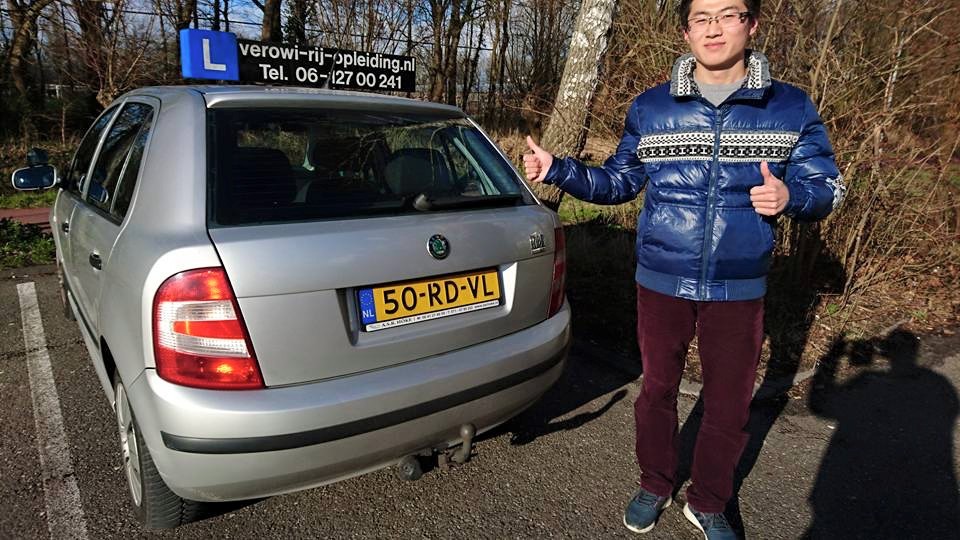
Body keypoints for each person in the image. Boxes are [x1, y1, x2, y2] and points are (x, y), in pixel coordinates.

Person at [522, 0, 844, 538]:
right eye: (701, 18)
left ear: (752, 24)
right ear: (686, 31)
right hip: (661, 279)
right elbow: (619, 182)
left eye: (728, 14)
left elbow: (828, 187)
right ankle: (655, 484)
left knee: (729, 404)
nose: (713, 28)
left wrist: (792, 196)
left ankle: (709, 500)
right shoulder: (652, 108)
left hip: (739, 285)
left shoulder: (790, 107)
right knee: (656, 391)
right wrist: (560, 170)